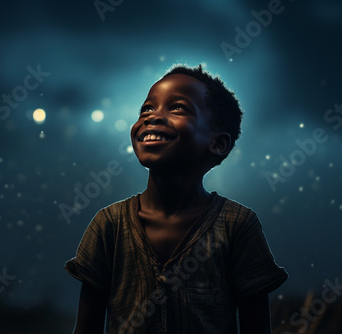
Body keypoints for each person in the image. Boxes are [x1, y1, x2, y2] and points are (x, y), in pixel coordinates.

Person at [65, 64, 288, 334]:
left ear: (217, 143)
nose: (152, 117)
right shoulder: (108, 224)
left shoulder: (238, 226)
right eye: (147, 108)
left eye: (177, 108)